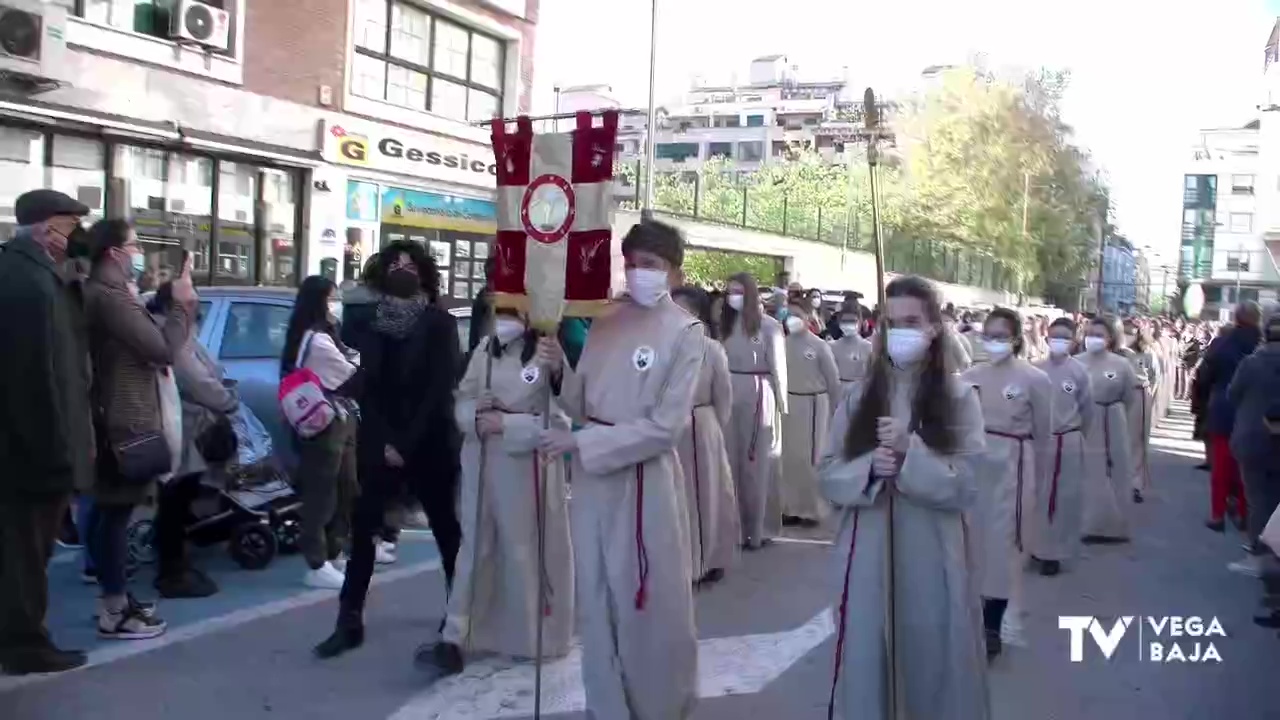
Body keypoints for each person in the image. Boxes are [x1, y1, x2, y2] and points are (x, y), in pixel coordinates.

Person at [536, 219, 702, 720]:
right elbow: (581, 399)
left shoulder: (686, 332)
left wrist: (584, 441)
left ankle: (658, 705)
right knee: (595, 593)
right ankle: (606, 705)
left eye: (649, 265)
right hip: (592, 475)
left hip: (643, 479)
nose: (638, 274)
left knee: (644, 598)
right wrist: (559, 368)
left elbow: (665, 428)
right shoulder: (605, 319)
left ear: (673, 272)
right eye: (631, 264)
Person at [818, 275, 989, 720]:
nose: (901, 333)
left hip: (933, 548)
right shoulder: (857, 397)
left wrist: (912, 453)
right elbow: (829, 474)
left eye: (912, 321)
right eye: (892, 323)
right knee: (866, 653)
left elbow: (968, 483)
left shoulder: (959, 397)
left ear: (934, 326)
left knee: (930, 656)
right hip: (868, 546)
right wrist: (871, 467)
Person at [314, 240, 462, 659]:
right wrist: (383, 442)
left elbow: (439, 390)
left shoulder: (439, 323)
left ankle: (458, 616)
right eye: (394, 262)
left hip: (430, 441)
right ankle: (349, 619)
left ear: (424, 273)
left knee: (446, 530)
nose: (402, 269)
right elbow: (366, 387)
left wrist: (406, 443)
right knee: (363, 530)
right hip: (380, 442)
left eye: (410, 264)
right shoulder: (365, 322)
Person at [433, 308, 573, 673]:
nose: (504, 322)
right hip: (481, 460)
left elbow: (560, 419)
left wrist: (507, 424)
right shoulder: (484, 349)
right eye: (500, 312)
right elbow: (462, 398)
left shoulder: (547, 353)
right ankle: (458, 633)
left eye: (512, 313)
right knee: (475, 548)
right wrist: (474, 418)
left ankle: (531, 634)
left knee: (523, 550)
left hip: (524, 467)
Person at [84, 218, 196, 640]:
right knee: (115, 514)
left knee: (108, 513)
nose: (139, 255)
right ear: (113, 253)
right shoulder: (111, 298)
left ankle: (112, 599)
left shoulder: (109, 294)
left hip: (112, 416)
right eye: (133, 247)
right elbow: (162, 350)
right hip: (122, 420)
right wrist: (184, 305)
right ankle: (115, 609)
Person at [0, 190, 95, 674]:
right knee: (25, 554)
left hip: (36, 447)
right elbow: (33, 377)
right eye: (69, 229)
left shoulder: (40, 275)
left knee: (28, 553)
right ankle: (23, 644)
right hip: (31, 453)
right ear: (43, 230)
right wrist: (53, 454)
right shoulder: (26, 281)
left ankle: (24, 636)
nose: (74, 239)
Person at [961, 307, 1052, 660]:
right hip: (974, 463)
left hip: (1014, 465)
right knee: (970, 542)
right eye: (989, 334)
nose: (993, 341)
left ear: (1015, 339)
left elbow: (1043, 435)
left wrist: (1038, 481)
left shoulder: (1034, 380)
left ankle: (991, 624)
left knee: (1001, 548)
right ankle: (965, 618)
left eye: (1001, 335)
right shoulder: (969, 376)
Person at [148, 280, 237, 599]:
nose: (194, 307)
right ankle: (172, 570)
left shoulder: (176, 331)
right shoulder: (172, 334)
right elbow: (194, 378)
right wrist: (226, 400)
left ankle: (175, 558)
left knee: (176, 497)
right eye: (188, 302)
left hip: (185, 422)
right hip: (182, 424)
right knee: (175, 496)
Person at [282, 276, 362, 590]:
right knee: (323, 492)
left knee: (345, 485)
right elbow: (350, 372)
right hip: (325, 422)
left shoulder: (325, 335)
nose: (336, 304)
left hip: (339, 417)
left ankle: (332, 552)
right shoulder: (316, 340)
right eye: (332, 298)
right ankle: (316, 562)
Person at [672, 286, 739, 586]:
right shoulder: (659, 345)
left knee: (707, 493)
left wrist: (710, 429)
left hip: (701, 425)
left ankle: (710, 558)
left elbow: (724, 397)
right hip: (667, 428)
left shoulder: (712, 350)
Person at [721, 273, 787, 550]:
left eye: (738, 290)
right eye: (729, 291)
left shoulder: (770, 326)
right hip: (727, 389)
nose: (732, 296)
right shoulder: (723, 325)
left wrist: (783, 405)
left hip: (759, 391)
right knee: (729, 461)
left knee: (758, 463)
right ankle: (731, 528)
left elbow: (779, 367)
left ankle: (758, 528)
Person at [1031, 318, 1093, 577]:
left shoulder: (1079, 372)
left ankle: (1054, 553)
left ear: (1073, 341)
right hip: (1039, 441)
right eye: (1053, 336)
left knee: (1063, 499)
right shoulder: (1035, 370)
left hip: (1067, 440)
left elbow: (1087, 410)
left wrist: (1077, 436)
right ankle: (1036, 545)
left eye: (1063, 337)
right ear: (1046, 338)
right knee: (1038, 497)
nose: (1057, 341)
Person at [1226, 310, 1280, 577]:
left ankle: (1260, 558)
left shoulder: (1252, 363)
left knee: (1258, 501)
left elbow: (1232, 394)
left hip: (1253, 440)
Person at [779, 295, 840, 528]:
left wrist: (836, 410)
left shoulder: (819, 345)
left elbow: (833, 380)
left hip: (814, 404)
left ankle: (812, 509)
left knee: (811, 459)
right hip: (789, 404)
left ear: (807, 317)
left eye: (797, 315)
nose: (792, 319)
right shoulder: (781, 343)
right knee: (789, 458)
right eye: (788, 315)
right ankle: (790, 507)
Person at [1201, 302, 1262, 533]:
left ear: (1236, 318)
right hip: (1254, 413)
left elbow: (1206, 375)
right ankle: (1246, 513)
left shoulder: (1221, 344)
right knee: (1248, 467)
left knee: (1221, 467)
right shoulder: (1261, 344)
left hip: (1222, 409)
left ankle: (1218, 515)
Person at [1076, 315, 1137, 544]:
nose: (1093, 339)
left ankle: (1116, 526)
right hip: (1086, 420)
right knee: (1090, 472)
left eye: (1099, 335)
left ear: (1110, 338)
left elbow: (1129, 396)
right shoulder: (1077, 362)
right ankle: (1088, 524)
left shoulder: (1121, 364)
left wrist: (1114, 413)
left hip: (1113, 419)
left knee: (1116, 471)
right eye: (1090, 334)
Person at [1121, 318, 1158, 503]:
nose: (1129, 334)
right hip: (1118, 397)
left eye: (1132, 330)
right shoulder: (1117, 353)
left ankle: (1135, 484)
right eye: (1126, 330)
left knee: (1137, 441)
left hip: (1139, 395)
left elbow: (1153, 377)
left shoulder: (1147, 353)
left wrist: (1147, 394)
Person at [830, 303, 874, 394]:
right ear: (839, 322)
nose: (848, 324)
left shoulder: (868, 347)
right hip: (839, 392)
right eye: (845, 321)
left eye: (852, 321)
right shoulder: (832, 347)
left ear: (860, 322)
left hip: (861, 393)